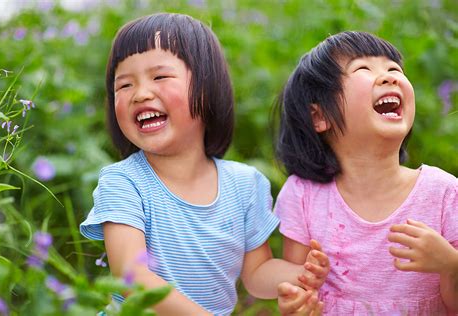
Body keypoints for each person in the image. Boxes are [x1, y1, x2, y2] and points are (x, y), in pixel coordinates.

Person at [80, 13, 328, 315]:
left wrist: (299, 275)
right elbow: (133, 277)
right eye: (124, 85)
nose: (140, 94)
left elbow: (256, 274)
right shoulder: (123, 182)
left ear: (207, 88)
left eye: (159, 77)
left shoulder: (244, 184)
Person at [274, 31, 458, 315]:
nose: (388, 77)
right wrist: (295, 305)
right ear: (319, 117)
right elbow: (298, 288)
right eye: (362, 68)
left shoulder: (443, 192)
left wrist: (450, 264)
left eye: (394, 69)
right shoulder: (304, 195)